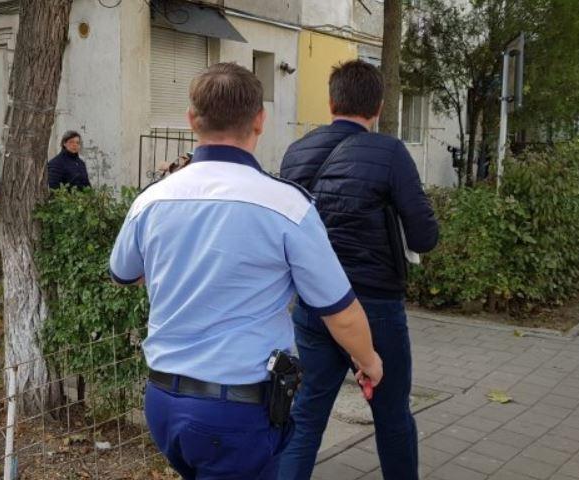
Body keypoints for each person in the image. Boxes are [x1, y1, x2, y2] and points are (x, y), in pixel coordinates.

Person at [109, 62, 384, 480]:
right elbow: (340, 312)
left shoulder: (151, 200)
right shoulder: (287, 206)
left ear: (191, 119)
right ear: (260, 120)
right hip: (238, 413)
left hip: (164, 402)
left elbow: (124, 273)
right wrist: (369, 361)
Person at [278, 60, 439, 480]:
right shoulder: (390, 153)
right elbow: (424, 236)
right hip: (374, 306)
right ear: (379, 107)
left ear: (331, 102)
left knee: (306, 415)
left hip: (314, 305)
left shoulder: (296, 153)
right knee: (392, 415)